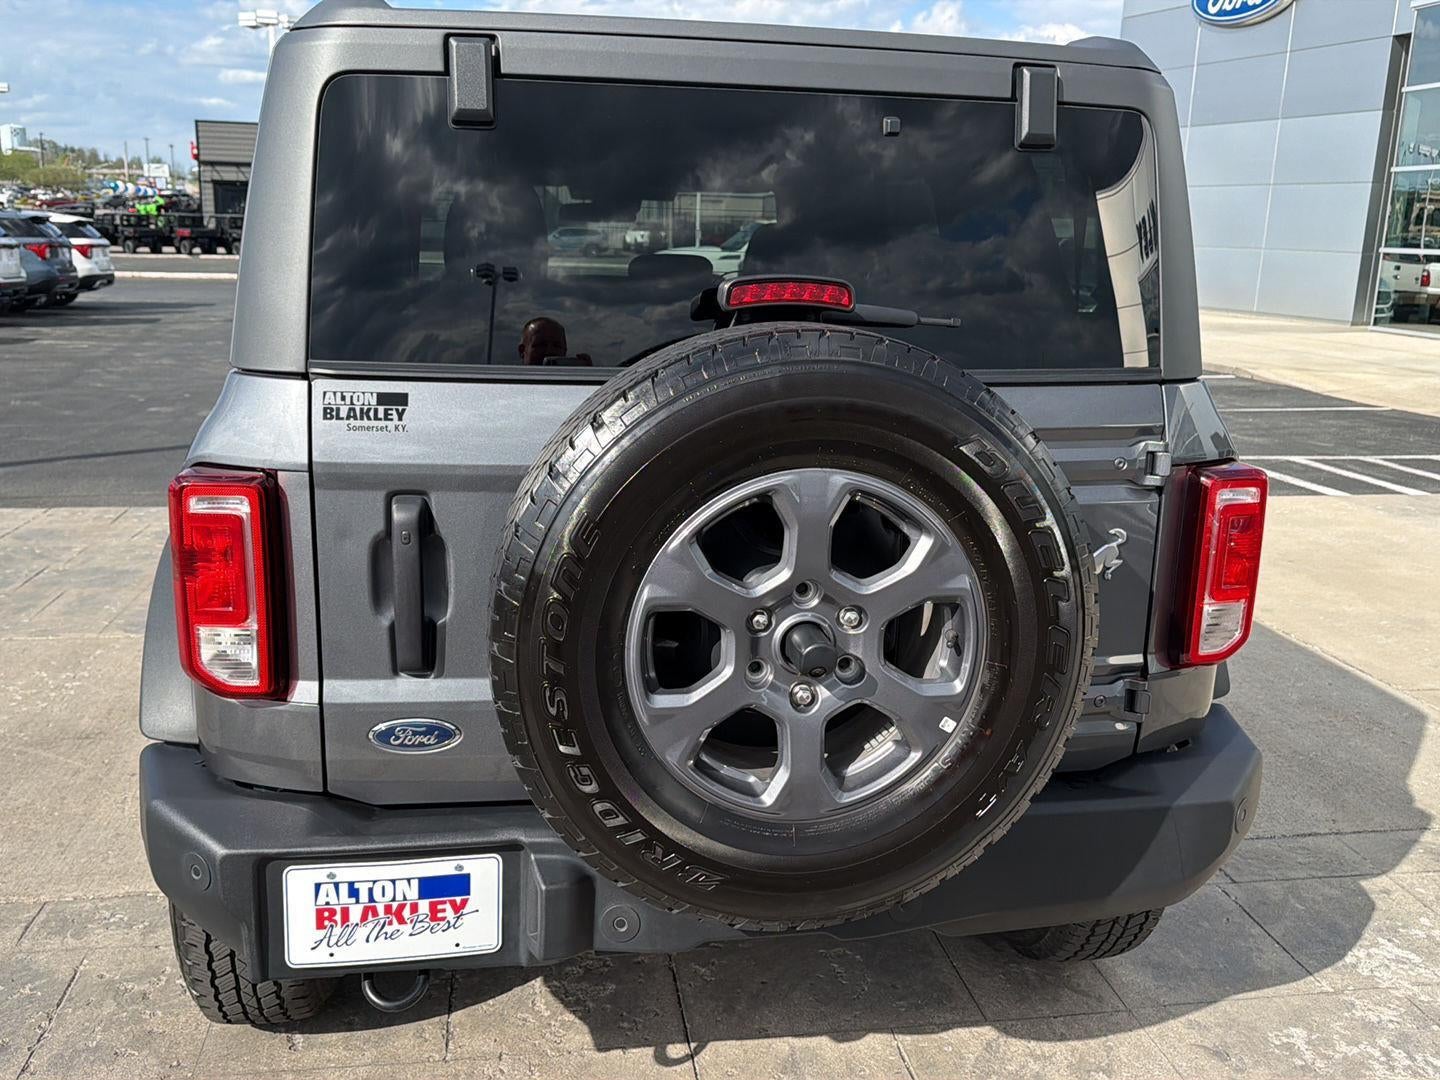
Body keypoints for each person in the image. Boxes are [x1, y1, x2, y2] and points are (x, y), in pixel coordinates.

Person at [518, 316, 592, 366]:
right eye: (541, 345)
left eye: (557, 346)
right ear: (522, 351)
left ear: (565, 351)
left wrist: (589, 380)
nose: (549, 352)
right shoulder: (509, 385)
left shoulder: (573, 387)